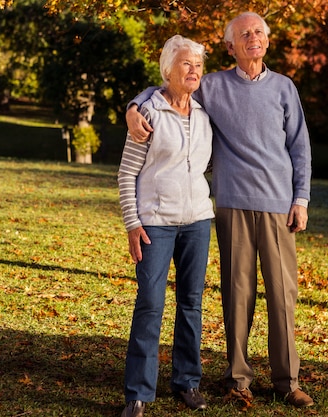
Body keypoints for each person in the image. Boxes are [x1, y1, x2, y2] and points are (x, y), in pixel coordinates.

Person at [126, 12, 314, 408]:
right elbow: (168, 88)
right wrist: (134, 105)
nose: (254, 39)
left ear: (267, 40)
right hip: (230, 205)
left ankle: (287, 380)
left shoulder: (284, 88)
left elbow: (300, 147)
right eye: (244, 34)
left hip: (279, 206)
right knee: (237, 295)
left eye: (259, 32)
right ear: (230, 46)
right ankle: (238, 377)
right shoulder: (212, 86)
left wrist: (301, 199)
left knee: (282, 297)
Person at [117, 35, 214, 417]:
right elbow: (126, 173)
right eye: (187, 64)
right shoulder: (148, 114)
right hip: (155, 224)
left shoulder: (206, 116)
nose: (194, 71)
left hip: (197, 222)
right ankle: (138, 393)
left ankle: (187, 382)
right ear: (168, 69)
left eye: (199, 65)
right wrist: (132, 223)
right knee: (150, 305)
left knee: (191, 303)